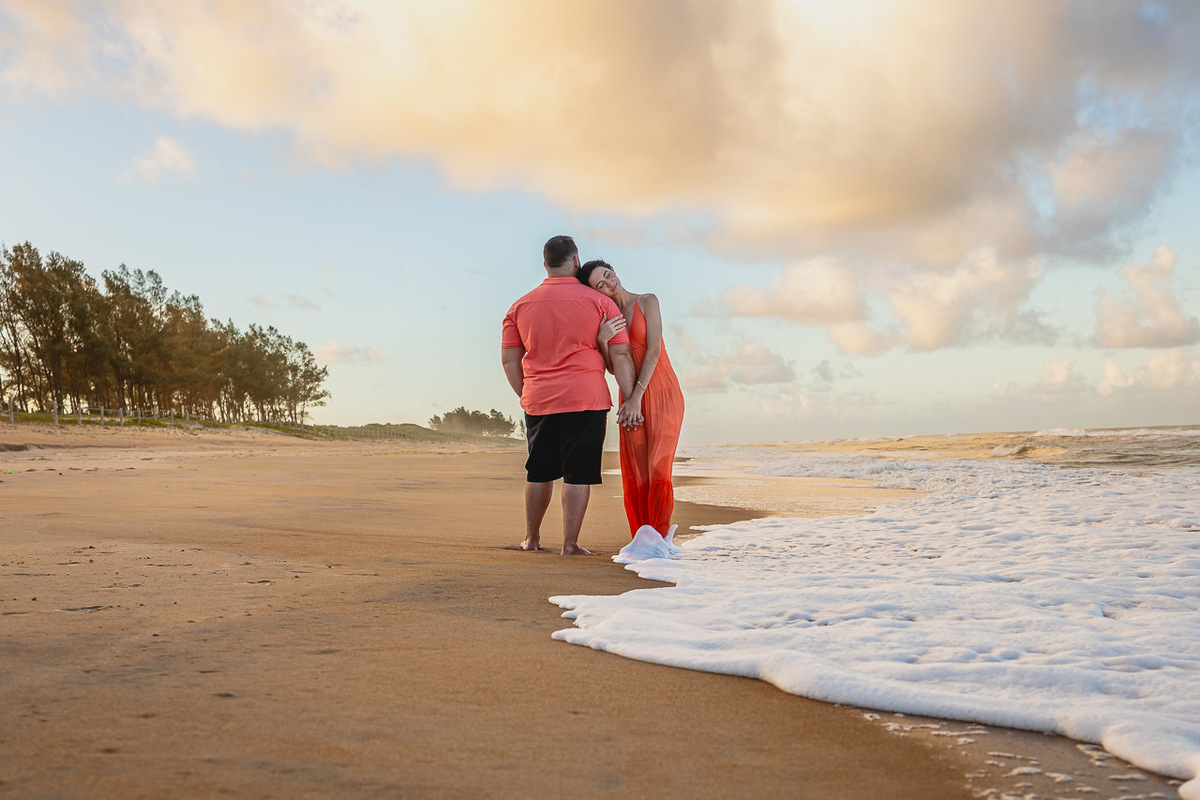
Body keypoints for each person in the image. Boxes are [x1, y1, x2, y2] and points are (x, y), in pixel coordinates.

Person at [501, 236, 637, 555]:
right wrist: (631, 399)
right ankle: (569, 544)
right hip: (587, 398)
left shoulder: (519, 306)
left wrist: (527, 393)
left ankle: (532, 540)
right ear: (576, 261)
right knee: (578, 473)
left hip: (539, 398)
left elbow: (509, 359)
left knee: (539, 471)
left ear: (546, 264)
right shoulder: (600, 302)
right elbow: (621, 354)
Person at [577, 259, 685, 540]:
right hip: (630, 400)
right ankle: (642, 540)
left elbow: (653, 352)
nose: (609, 284)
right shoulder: (608, 318)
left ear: (614, 271)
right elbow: (613, 367)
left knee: (658, 467)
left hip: (661, 392)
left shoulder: (647, 301)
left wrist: (636, 397)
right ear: (596, 293)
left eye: (608, 275)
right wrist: (602, 340)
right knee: (638, 471)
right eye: (600, 284)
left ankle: (660, 543)